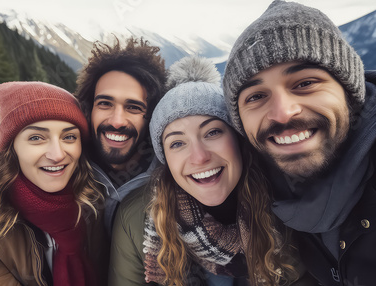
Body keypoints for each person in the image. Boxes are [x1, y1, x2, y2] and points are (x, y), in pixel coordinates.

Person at [223, 1, 376, 285]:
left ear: (349, 92)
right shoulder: (261, 191)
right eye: (256, 96)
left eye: (305, 83)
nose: (282, 112)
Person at [109, 57, 311, 286]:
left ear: (237, 138)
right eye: (177, 143)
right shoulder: (137, 219)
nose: (199, 157)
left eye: (212, 133)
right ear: (166, 160)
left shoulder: (286, 205)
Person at [0, 82, 105, 285]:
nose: (57, 154)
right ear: (12, 147)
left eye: (69, 137)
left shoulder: (95, 191)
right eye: (36, 138)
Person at [75, 36, 167, 234]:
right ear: (89, 109)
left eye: (133, 107)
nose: (117, 121)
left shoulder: (173, 181)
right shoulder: (63, 171)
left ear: (151, 116)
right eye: (105, 104)